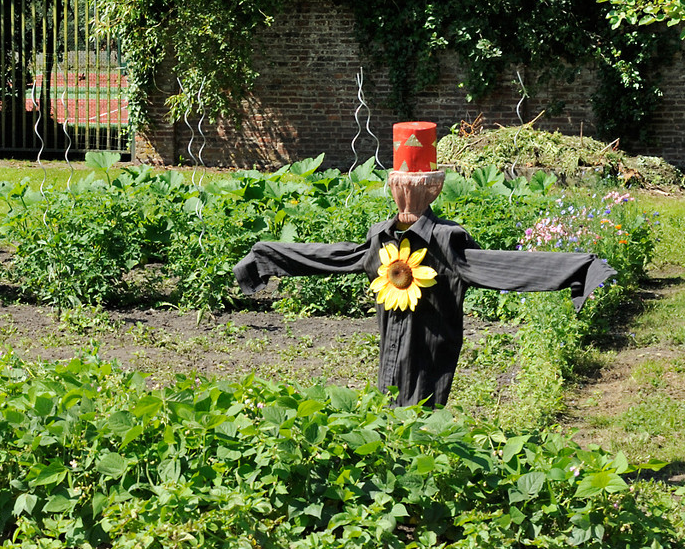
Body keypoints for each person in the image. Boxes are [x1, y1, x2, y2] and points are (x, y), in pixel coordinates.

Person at [231, 123, 615, 408]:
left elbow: (502, 267)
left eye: (416, 186)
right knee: (388, 407)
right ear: (392, 186)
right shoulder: (380, 239)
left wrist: (580, 268)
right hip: (389, 348)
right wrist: (266, 258)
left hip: (433, 346)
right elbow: (331, 256)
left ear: (434, 188)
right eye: (401, 185)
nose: (407, 194)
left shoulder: (447, 240)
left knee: (421, 411)